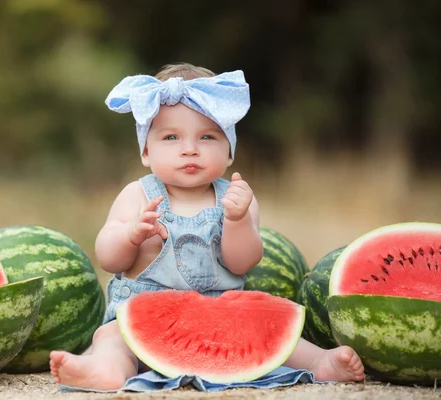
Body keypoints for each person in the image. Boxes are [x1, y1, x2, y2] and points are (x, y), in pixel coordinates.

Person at [50, 63, 364, 390]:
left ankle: (320, 362)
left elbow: (243, 262)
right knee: (111, 337)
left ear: (229, 151)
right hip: (141, 319)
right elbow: (108, 258)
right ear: (146, 150)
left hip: (222, 319)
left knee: (266, 328)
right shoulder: (137, 195)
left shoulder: (237, 198)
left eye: (207, 136)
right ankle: (106, 370)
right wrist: (130, 235)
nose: (190, 148)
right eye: (171, 137)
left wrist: (238, 220)